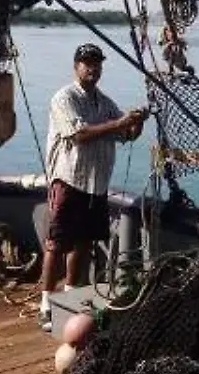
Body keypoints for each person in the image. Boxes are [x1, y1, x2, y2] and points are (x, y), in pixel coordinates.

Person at [38, 43, 148, 330]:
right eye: (86, 63)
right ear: (76, 66)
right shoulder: (64, 98)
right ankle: (46, 304)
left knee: (84, 243)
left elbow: (125, 135)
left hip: (97, 185)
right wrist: (120, 122)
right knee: (57, 243)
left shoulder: (105, 102)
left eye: (97, 63)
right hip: (69, 180)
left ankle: (70, 296)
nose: (92, 68)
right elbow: (79, 134)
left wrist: (136, 124)